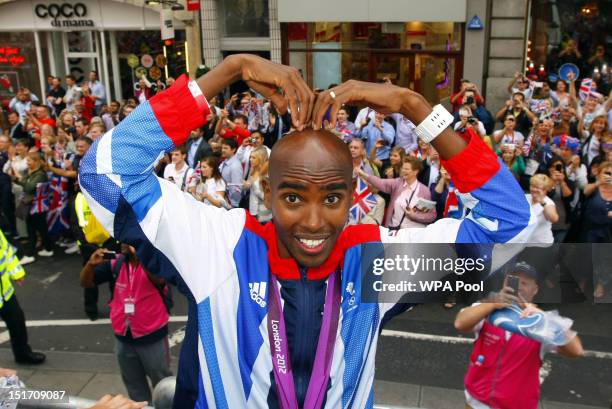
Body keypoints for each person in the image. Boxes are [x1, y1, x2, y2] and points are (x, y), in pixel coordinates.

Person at [80, 54, 534, 408]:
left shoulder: (375, 263)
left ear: (353, 193)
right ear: (266, 192)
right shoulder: (222, 247)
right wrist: (228, 71)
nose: (314, 222)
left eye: (333, 199)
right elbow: (104, 172)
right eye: (293, 198)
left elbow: (507, 222)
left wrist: (413, 105)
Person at [455, 262, 583, 409]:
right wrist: (491, 304)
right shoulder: (489, 308)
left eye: (525, 283)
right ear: (504, 282)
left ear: (535, 290)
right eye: (513, 280)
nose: (519, 286)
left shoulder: (540, 322)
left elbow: (576, 350)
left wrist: (547, 318)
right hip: (476, 402)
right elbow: (460, 323)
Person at [80, 245, 172, 403]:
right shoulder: (117, 263)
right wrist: (90, 264)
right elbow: (86, 283)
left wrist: (141, 256)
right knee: (134, 387)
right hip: (123, 337)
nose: (122, 244)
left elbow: (159, 279)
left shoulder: (154, 261)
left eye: (127, 241)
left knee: (163, 385)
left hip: (152, 337)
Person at [0, 229, 46, 364]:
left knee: (17, 321)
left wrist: (17, 272)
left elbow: (6, 251)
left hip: (5, 292)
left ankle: (22, 354)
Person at [360, 155, 436, 229]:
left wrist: (414, 216)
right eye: (403, 168)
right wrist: (363, 174)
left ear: (415, 172)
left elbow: (432, 215)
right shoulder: (397, 183)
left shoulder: (424, 190)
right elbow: (380, 182)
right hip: (395, 231)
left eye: (406, 169)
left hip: (413, 234)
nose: (403, 171)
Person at [13, 151, 53, 265]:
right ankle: (48, 249)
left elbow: (29, 187)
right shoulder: (31, 172)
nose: (27, 162)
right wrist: (23, 180)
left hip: (35, 206)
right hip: (36, 206)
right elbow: (26, 184)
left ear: (36, 162)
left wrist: (17, 180)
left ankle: (30, 254)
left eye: (29, 160)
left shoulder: (39, 174)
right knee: (41, 229)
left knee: (32, 230)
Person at [581, 161, 612, 299]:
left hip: (608, 231)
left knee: (605, 258)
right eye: (607, 173)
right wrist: (598, 183)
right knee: (587, 256)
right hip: (590, 229)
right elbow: (585, 191)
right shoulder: (593, 187)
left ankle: (601, 284)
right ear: (599, 173)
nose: (609, 176)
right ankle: (583, 280)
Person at [244, 147, 272, 223]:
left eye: (253, 157)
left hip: (263, 215)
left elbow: (267, 197)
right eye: (250, 157)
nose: (250, 159)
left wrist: (253, 186)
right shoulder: (252, 169)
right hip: (253, 211)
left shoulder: (267, 175)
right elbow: (250, 187)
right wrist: (246, 185)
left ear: (260, 159)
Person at [218, 138, 244, 208]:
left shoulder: (235, 166)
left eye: (226, 148)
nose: (223, 150)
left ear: (233, 150)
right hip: (224, 200)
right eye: (222, 148)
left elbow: (237, 187)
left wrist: (233, 205)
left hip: (230, 204)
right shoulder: (226, 161)